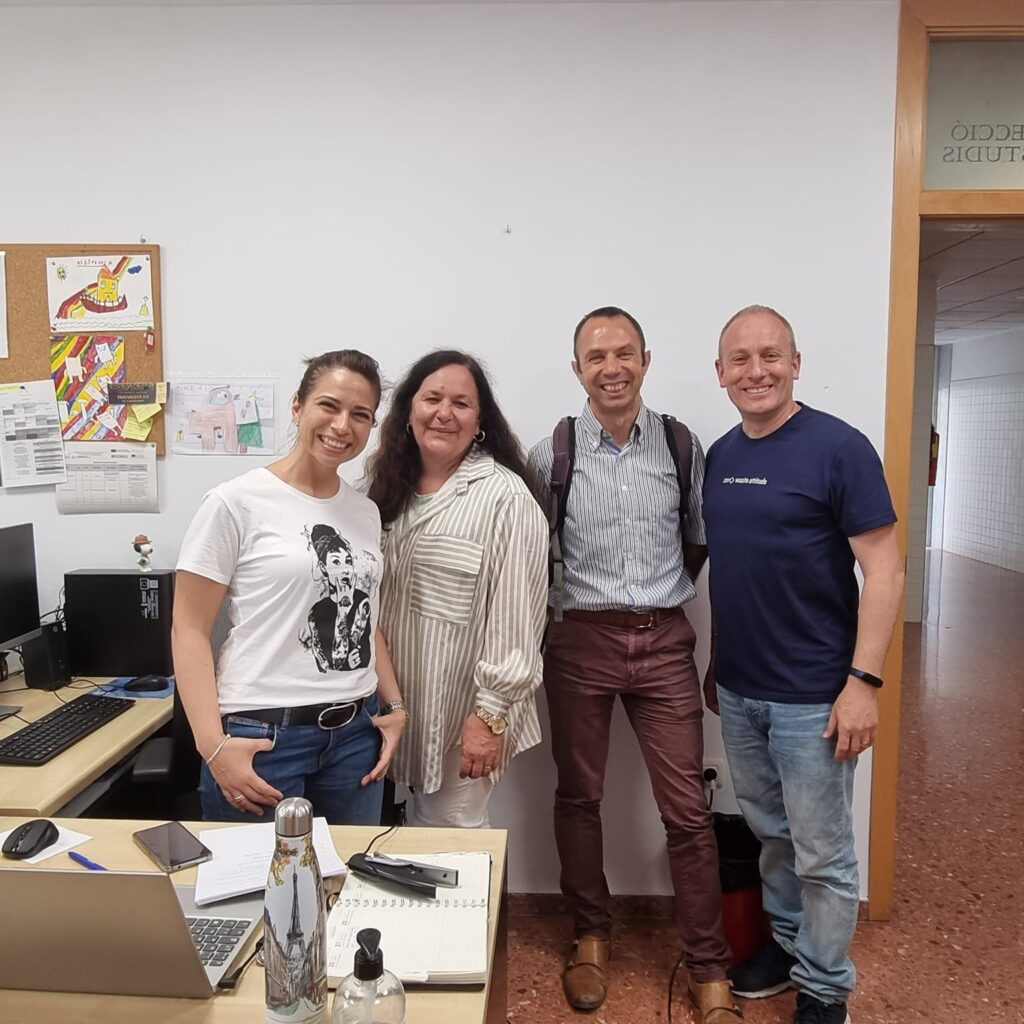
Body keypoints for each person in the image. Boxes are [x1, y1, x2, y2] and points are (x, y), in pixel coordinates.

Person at [527, 307, 741, 1022]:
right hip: (578, 643)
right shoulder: (552, 453)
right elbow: (533, 555)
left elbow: (699, 540)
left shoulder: (681, 445)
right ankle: (591, 935)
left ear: (645, 360)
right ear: (577, 368)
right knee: (577, 797)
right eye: (596, 356)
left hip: (663, 642)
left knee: (687, 813)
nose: (611, 367)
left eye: (624, 353)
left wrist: (655, 601)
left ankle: (709, 966)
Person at [703, 306, 905, 1024]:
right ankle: (789, 948)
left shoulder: (839, 448)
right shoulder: (721, 456)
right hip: (741, 691)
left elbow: (885, 571)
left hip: (816, 695)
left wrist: (863, 683)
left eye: (771, 356)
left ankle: (825, 988)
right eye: (740, 359)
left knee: (823, 853)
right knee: (772, 836)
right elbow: (736, 568)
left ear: (795, 363)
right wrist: (718, 661)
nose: (755, 371)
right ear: (720, 372)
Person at [172, 350, 408, 825]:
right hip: (262, 736)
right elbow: (189, 628)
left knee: (348, 870)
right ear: (298, 406)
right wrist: (211, 744)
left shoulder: (363, 512)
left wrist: (395, 705)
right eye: (329, 405)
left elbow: (369, 620)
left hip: (355, 736)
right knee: (258, 874)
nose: (342, 425)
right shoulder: (234, 502)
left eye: (360, 414)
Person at [365, 350, 547, 829]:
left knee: (447, 839)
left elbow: (518, 623)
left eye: (461, 403)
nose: (444, 413)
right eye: (432, 399)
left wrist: (489, 716)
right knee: (386, 837)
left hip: (460, 716)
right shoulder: (383, 491)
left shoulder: (506, 499)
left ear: (480, 421)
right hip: (386, 706)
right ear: (408, 411)